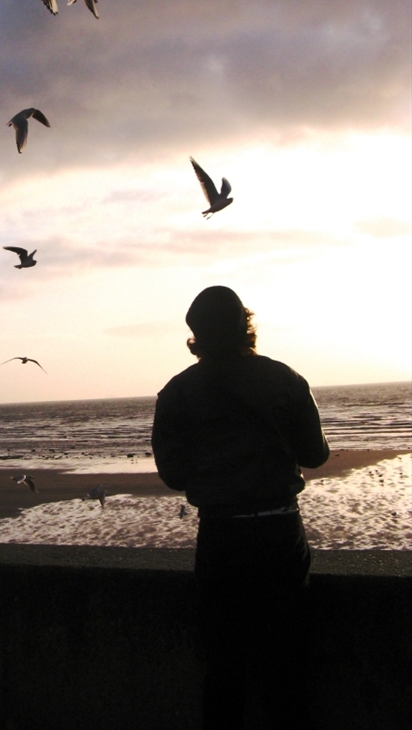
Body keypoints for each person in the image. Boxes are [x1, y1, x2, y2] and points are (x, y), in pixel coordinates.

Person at [152, 286, 329, 730]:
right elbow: (315, 454)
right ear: (245, 324)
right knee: (286, 669)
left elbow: (173, 474)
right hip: (280, 535)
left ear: (196, 335)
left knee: (223, 669)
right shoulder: (285, 378)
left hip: (221, 537)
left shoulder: (177, 392)